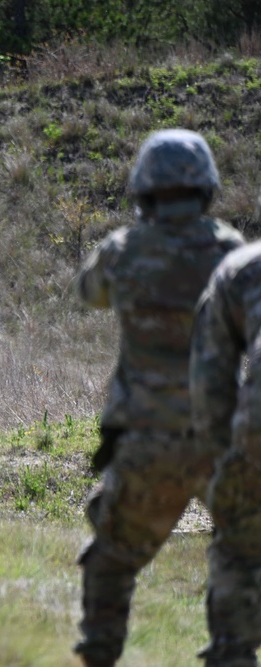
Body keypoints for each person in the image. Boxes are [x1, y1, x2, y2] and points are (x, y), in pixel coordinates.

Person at [73, 128, 245, 667]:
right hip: (222, 440)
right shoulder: (231, 249)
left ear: (145, 188)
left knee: (114, 558)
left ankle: (100, 654)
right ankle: (234, 654)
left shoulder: (124, 251)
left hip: (146, 438)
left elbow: (87, 292)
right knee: (239, 556)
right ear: (206, 187)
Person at [191, 241, 261, 667]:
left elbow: (209, 391)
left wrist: (226, 479)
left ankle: (233, 650)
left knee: (238, 548)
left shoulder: (240, 268)